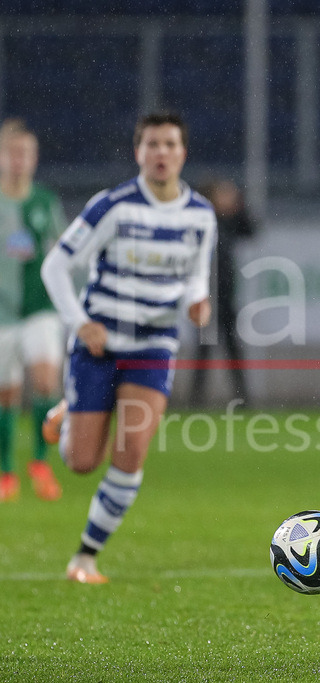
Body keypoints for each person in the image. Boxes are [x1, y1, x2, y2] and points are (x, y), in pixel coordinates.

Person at [40, 111, 216, 584]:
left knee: (132, 451)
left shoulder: (201, 215)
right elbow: (54, 267)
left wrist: (197, 301)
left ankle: (85, 558)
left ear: (182, 153)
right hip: (100, 346)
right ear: (138, 152)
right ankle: (68, 414)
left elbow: (196, 275)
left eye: (170, 144)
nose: (161, 153)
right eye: (152, 144)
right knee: (82, 462)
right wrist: (80, 323)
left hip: (153, 346)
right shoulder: (112, 206)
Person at [0, 118, 66, 502]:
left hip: (40, 308)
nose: (19, 160)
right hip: (2, 313)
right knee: (6, 394)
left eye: (25, 153)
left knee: (45, 381)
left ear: (34, 158)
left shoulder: (45, 202)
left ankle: (39, 463)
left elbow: (63, 251)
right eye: (13, 152)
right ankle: (6, 470)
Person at [189, 177, 255, 406]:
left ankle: (242, 397)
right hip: (206, 296)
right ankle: (196, 398)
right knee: (204, 349)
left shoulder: (230, 222)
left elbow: (251, 230)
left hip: (226, 297)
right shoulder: (203, 222)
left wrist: (238, 207)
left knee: (232, 348)